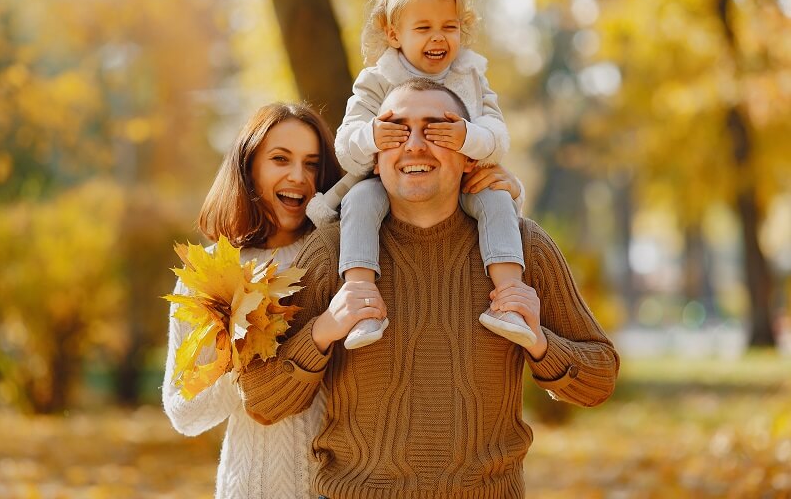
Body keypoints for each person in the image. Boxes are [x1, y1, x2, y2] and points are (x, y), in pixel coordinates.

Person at [239, 79, 620, 499]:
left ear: (468, 153)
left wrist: (542, 345)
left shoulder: (523, 246)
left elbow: (599, 380)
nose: (414, 145)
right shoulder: (332, 251)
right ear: (376, 156)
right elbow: (261, 400)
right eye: (396, 131)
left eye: (437, 129)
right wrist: (322, 332)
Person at [304, 0, 535, 350]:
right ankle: (361, 300)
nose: (438, 38)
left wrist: (467, 135)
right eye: (424, 28)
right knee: (360, 201)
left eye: (449, 27)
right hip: (388, 183)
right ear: (394, 34)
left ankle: (509, 299)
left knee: (497, 199)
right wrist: (373, 134)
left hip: (461, 181)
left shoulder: (472, 78)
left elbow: (497, 137)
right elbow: (345, 145)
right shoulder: (376, 80)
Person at [161, 103, 343, 499]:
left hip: (341, 487)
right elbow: (183, 413)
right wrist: (250, 367)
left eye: (312, 164)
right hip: (250, 487)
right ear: (249, 167)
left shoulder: (344, 258)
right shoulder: (208, 274)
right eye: (280, 159)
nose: (298, 176)